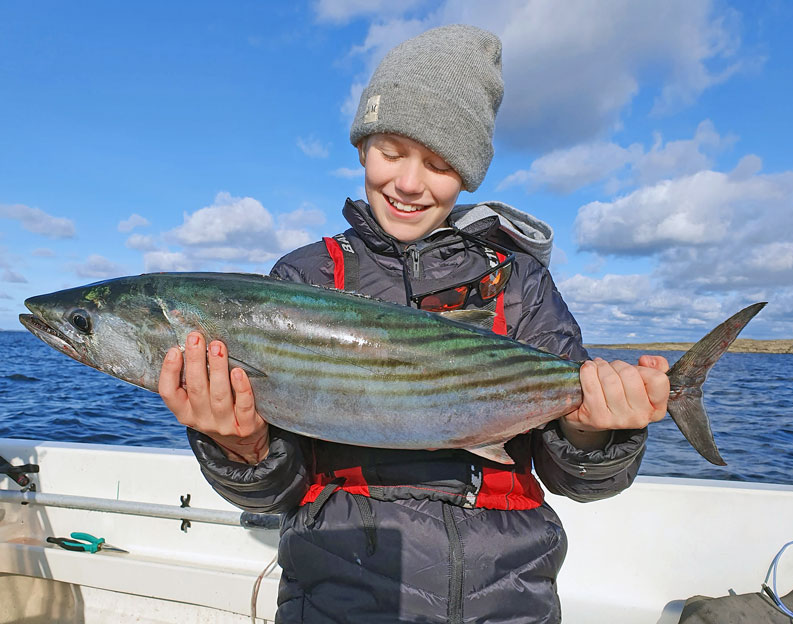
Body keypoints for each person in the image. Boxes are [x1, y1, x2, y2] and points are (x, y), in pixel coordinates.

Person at [159, 24, 669, 624]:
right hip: (339, 595)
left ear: (469, 174)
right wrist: (237, 445)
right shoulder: (301, 278)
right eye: (391, 152)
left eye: (439, 162)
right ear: (361, 148)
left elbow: (574, 478)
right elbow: (278, 490)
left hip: (510, 600)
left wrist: (592, 433)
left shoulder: (520, 283)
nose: (407, 182)